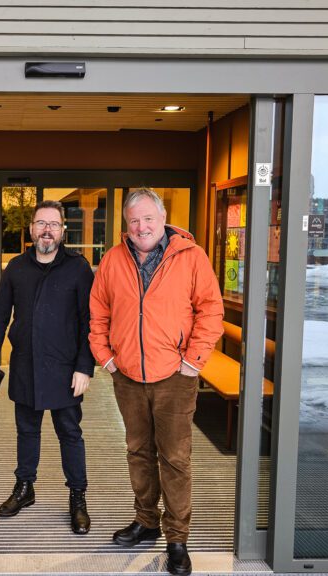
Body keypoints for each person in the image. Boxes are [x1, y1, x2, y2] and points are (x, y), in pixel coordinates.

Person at [89, 188, 223, 575]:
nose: (141, 226)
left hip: (176, 377)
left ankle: (177, 538)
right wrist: (107, 359)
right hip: (127, 376)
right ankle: (146, 521)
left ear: (162, 218)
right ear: (126, 226)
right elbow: (97, 313)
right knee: (138, 451)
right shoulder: (113, 260)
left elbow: (210, 310)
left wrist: (193, 361)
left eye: (148, 218)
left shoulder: (191, 257)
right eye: (134, 221)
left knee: (176, 458)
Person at [0, 200, 95, 535]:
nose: (47, 230)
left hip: (65, 368)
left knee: (70, 434)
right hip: (26, 365)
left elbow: (89, 322)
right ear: (31, 228)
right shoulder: (16, 268)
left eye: (53, 224)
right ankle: (25, 488)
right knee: (27, 431)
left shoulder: (78, 268)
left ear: (62, 230)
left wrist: (84, 366)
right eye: (41, 223)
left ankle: (77, 497)